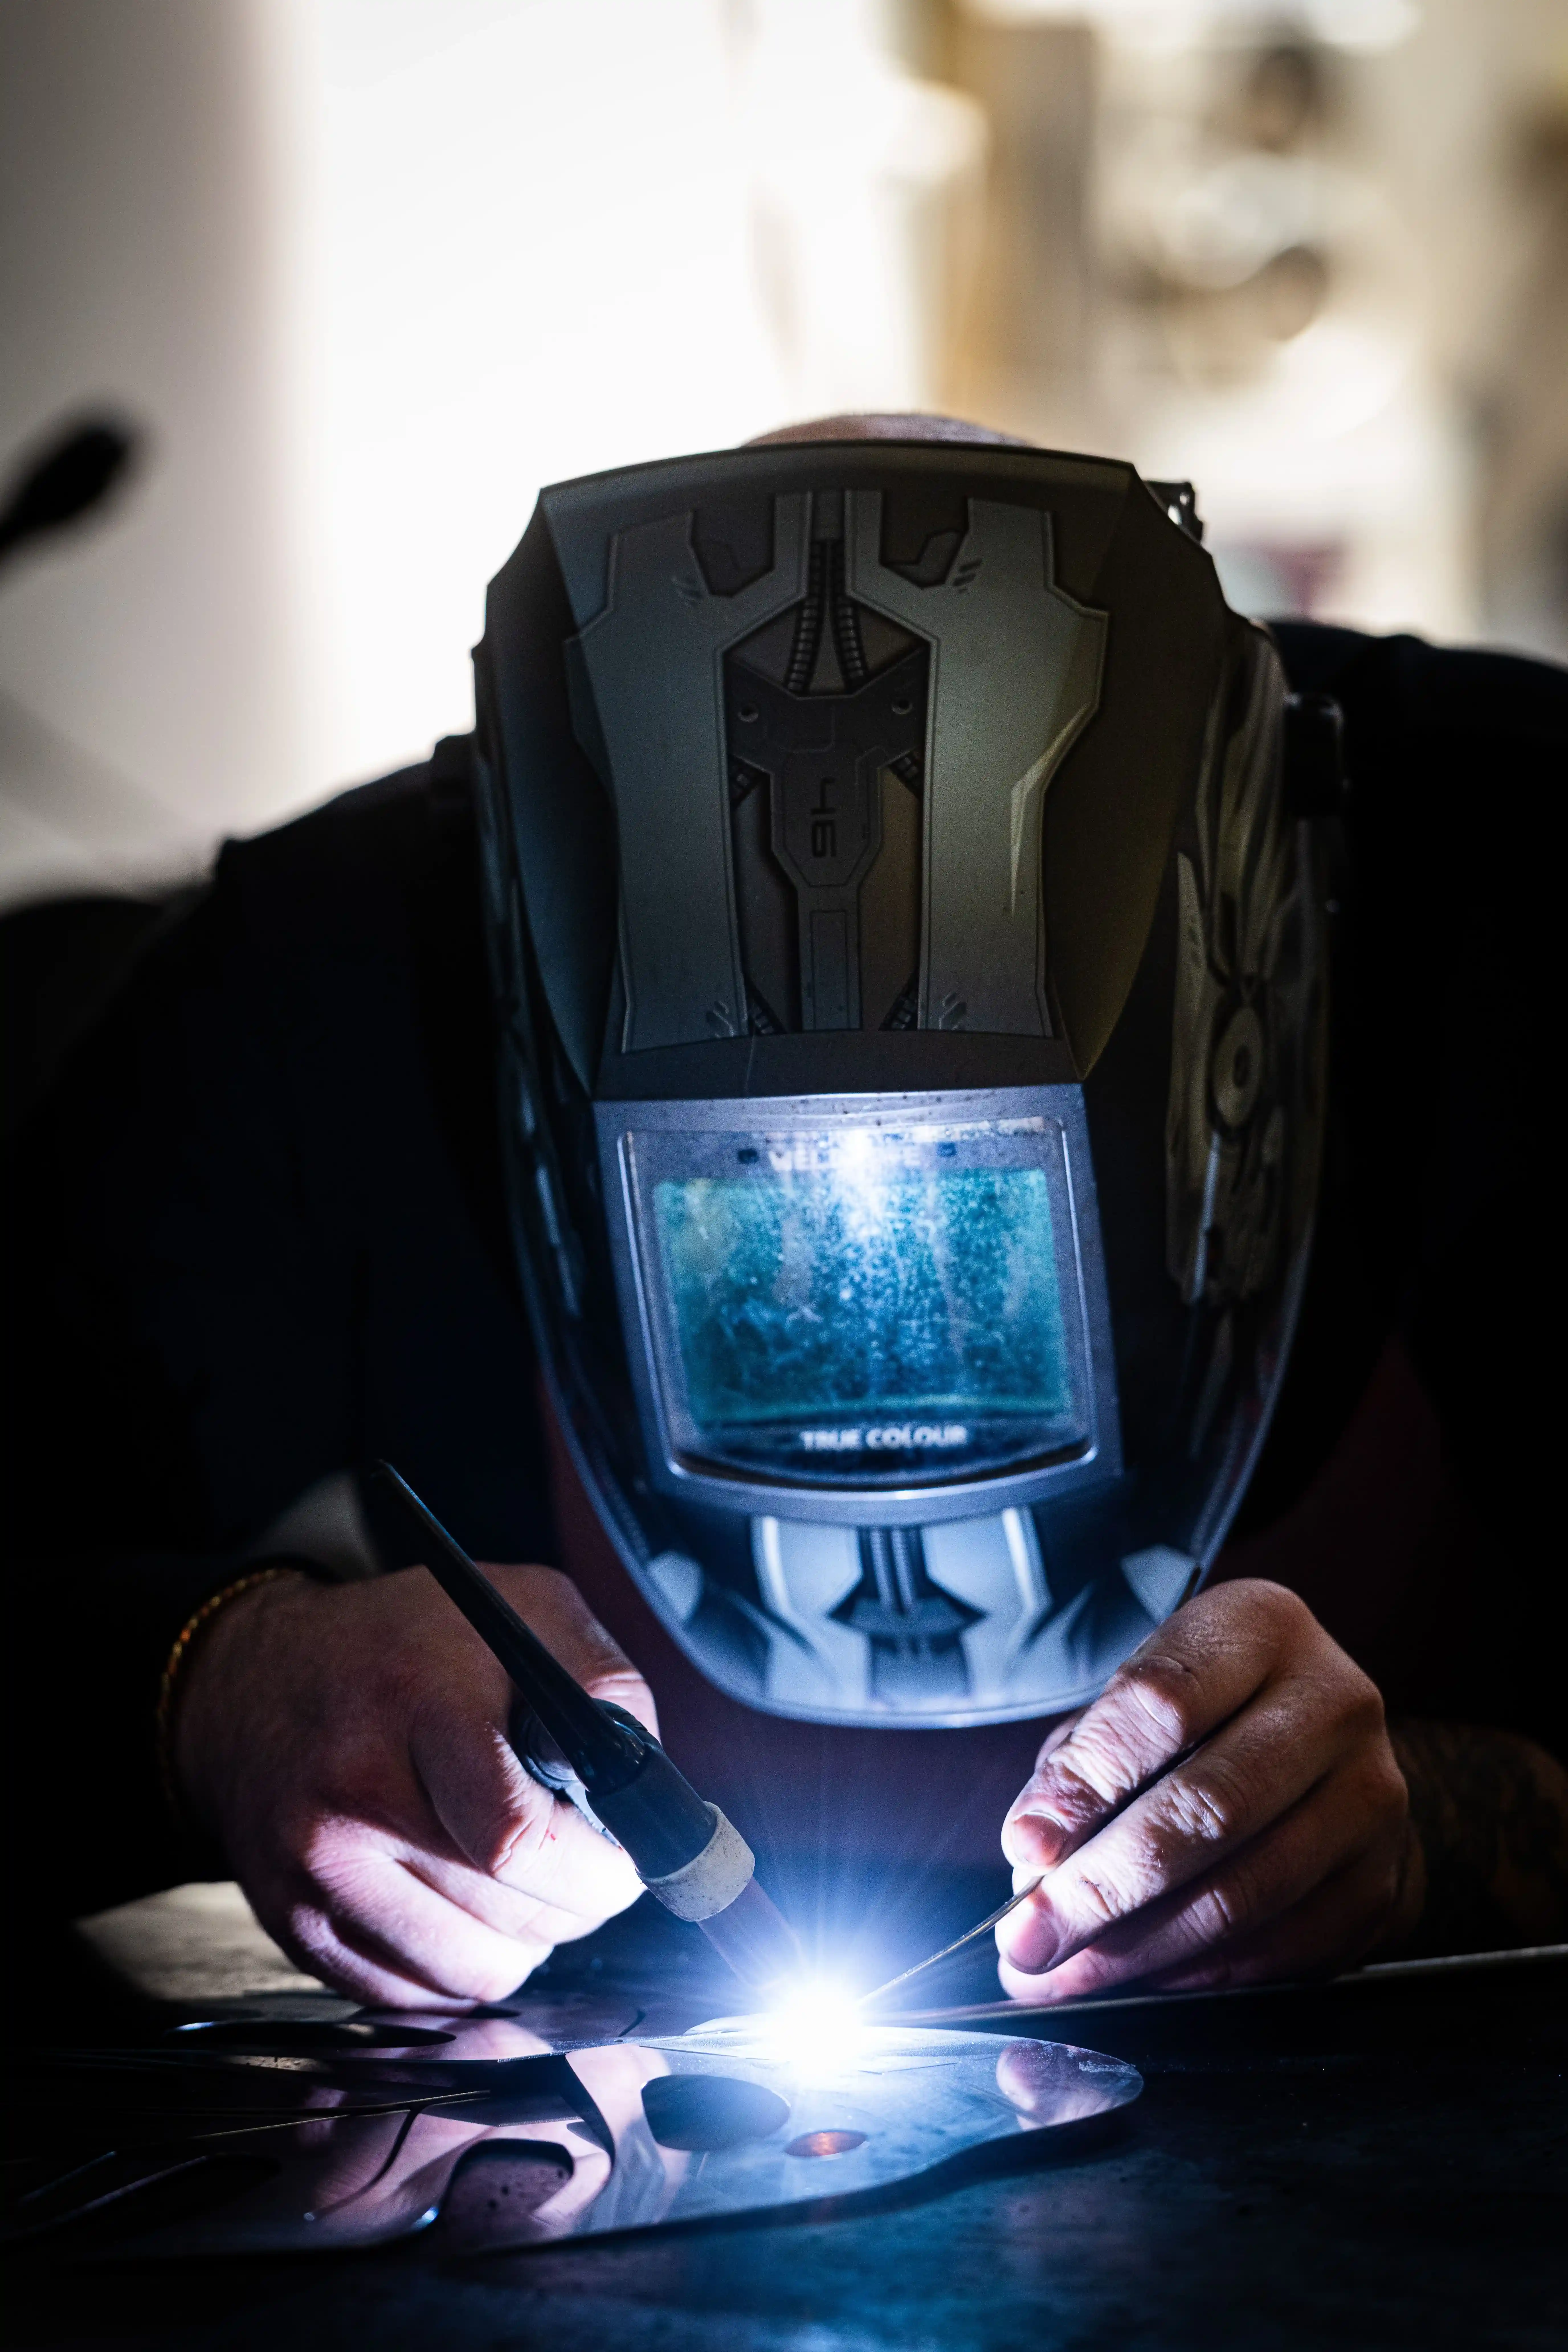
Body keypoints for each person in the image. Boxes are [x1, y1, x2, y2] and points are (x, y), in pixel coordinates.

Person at [3, 416, 1564, 2012]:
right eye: (761, 1247)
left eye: (975, 1253)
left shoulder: (1523, 883)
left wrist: (1439, 1823)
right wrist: (221, 1687)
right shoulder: (341, 968)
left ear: (1237, 1017)